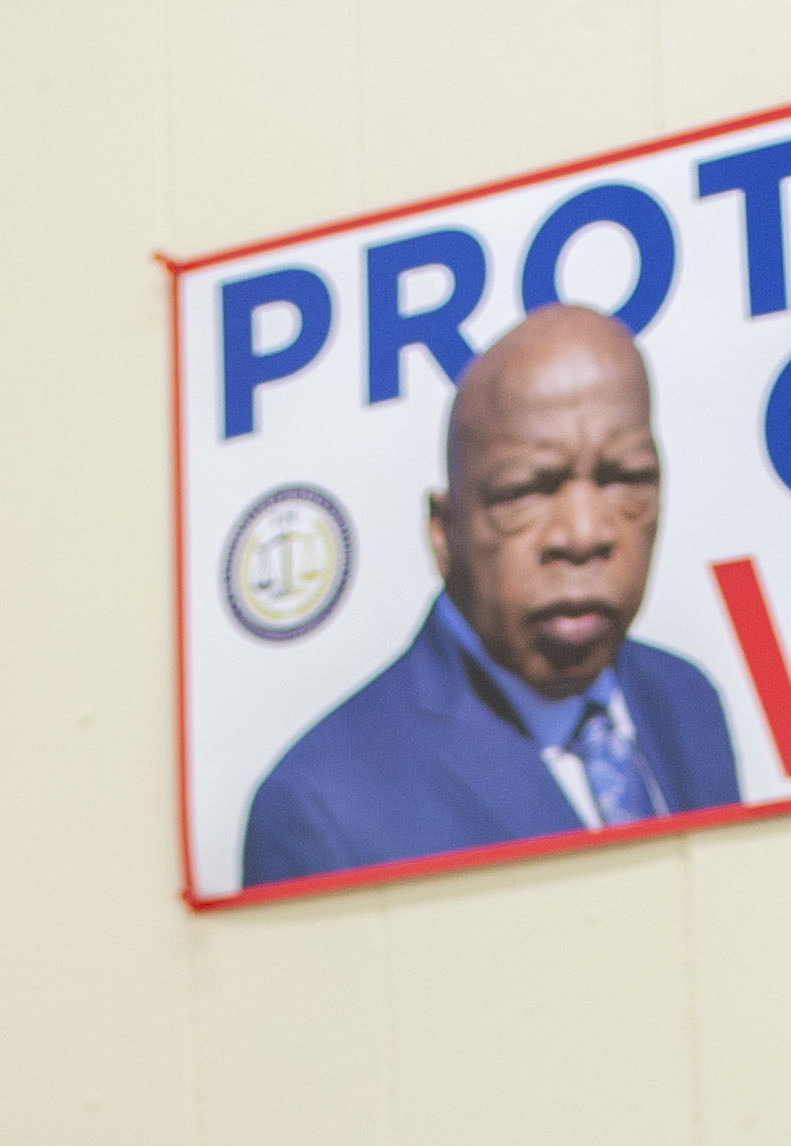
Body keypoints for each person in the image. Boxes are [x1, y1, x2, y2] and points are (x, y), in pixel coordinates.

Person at [239, 304, 740, 891]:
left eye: (625, 479)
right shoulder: (324, 810)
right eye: (526, 490)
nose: (584, 534)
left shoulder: (686, 702)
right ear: (442, 532)